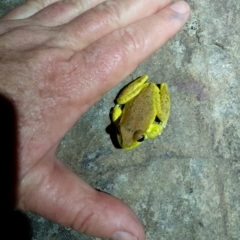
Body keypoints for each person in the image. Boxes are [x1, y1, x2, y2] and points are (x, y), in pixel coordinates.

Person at [0, 0, 190, 239]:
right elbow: (120, 113)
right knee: (136, 114)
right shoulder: (134, 129)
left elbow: (120, 112)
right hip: (136, 102)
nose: (124, 140)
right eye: (120, 132)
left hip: (147, 96)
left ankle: (156, 86)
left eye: (136, 137)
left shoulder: (144, 130)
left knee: (143, 114)